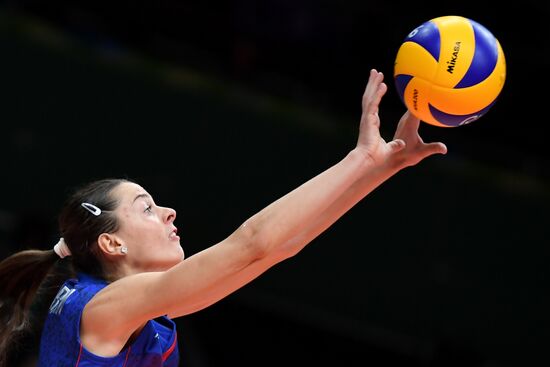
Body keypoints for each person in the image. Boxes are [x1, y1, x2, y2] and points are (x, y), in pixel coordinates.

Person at [0, 69, 447, 367]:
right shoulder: (102, 309)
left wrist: (382, 168)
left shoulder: (136, 307)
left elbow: (276, 250)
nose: (169, 211)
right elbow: (252, 243)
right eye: (147, 208)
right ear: (112, 244)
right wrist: (361, 158)